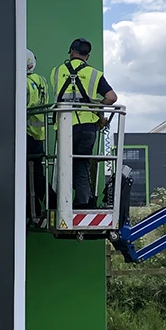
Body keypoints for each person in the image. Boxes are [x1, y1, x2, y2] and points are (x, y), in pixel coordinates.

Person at [50, 39, 117, 209]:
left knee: (63, 164)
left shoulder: (56, 72)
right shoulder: (94, 74)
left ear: (71, 52)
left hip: (65, 126)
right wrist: (97, 106)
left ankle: (61, 203)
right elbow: (111, 97)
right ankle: (83, 202)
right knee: (81, 165)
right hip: (87, 127)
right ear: (87, 56)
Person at [26, 49, 49, 221]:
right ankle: (43, 207)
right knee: (36, 175)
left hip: (26, 133)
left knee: (29, 177)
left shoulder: (24, 82)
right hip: (39, 134)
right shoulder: (41, 80)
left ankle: (36, 210)